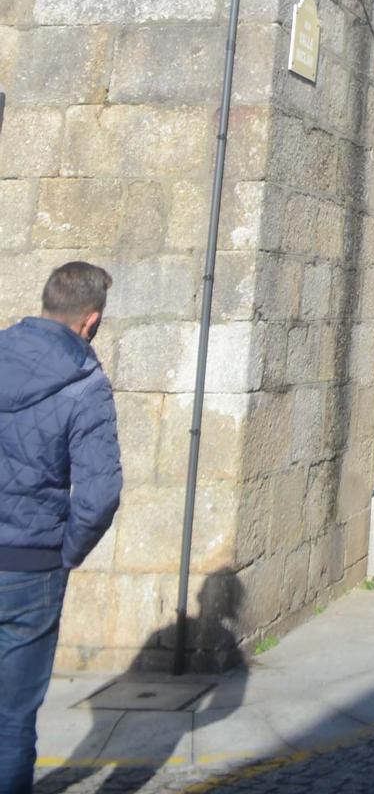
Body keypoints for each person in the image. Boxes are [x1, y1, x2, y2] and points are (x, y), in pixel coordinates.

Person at [0, 262, 123, 794]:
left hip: (31, 558)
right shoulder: (85, 381)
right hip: (31, 564)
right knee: (10, 722)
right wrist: (64, 553)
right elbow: (98, 497)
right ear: (89, 321)